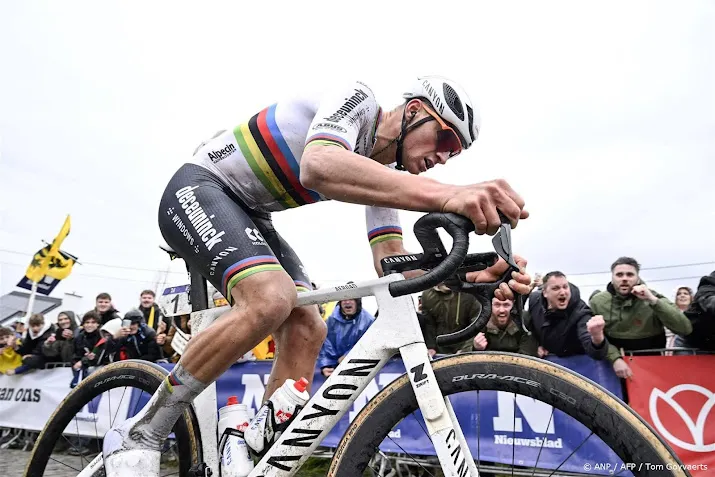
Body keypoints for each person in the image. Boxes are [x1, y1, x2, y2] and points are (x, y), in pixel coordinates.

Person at [103, 76, 532, 473]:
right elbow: (319, 166)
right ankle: (141, 431)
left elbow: (390, 263)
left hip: (250, 213)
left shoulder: (386, 178)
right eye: (444, 138)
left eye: (454, 154)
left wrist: (468, 273)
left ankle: (250, 447)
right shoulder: (358, 101)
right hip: (200, 187)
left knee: (309, 326)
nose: (443, 157)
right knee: (271, 298)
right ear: (414, 110)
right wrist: (454, 195)